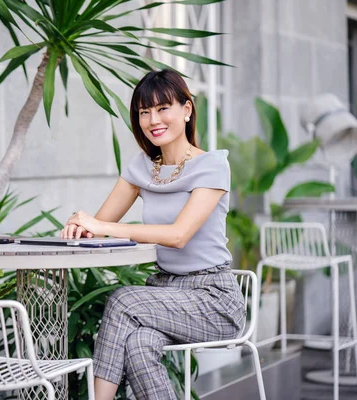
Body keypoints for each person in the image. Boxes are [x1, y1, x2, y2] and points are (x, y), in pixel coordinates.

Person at [61, 69, 246, 400]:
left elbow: (178, 235)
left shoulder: (212, 165)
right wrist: (81, 225)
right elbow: (100, 227)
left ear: (186, 110)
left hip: (213, 299)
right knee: (138, 343)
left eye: (163, 109)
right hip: (164, 291)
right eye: (144, 112)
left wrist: (101, 226)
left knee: (122, 300)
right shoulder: (141, 168)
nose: (152, 120)